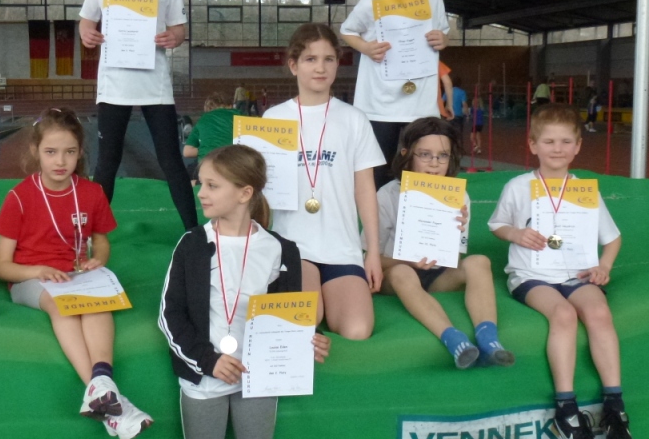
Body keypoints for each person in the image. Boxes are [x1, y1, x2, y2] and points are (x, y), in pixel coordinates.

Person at [158, 144, 331, 439]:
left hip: (259, 381)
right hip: (204, 382)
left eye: (212, 185)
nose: (200, 191)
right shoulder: (191, 244)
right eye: (201, 182)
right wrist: (208, 360)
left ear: (244, 193)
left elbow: (287, 319)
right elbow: (170, 318)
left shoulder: (281, 250)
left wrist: (308, 342)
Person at [0, 108, 152, 439]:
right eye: (51, 152)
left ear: (81, 152)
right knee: (62, 305)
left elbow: (101, 241)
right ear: (35, 151)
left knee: (99, 303)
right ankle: (102, 390)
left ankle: (103, 386)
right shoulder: (19, 197)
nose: (60, 161)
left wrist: (98, 259)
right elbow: (1, 266)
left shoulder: (91, 193)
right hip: (30, 279)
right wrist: (38, 270)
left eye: (69, 152)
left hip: (76, 276)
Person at [488, 105, 633, 439]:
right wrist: (516, 234)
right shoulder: (518, 187)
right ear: (532, 145)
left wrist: (604, 266)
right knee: (564, 315)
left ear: (578, 146)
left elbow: (613, 238)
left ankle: (615, 407)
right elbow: (497, 225)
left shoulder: (584, 191)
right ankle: (566, 411)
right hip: (531, 275)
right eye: (549, 141)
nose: (557, 148)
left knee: (599, 313)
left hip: (577, 274)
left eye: (566, 141)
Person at [78, 0, 198, 231]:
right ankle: (90, 235)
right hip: (114, 84)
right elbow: (87, 19)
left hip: (154, 85)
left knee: (171, 160)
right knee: (107, 161)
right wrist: (87, 33)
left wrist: (174, 37)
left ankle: (193, 231)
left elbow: (179, 28)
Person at [263, 24, 384, 340]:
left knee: (357, 330)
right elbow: (257, 190)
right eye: (310, 59)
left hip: (342, 248)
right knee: (305, 319)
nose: (320, 67)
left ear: (337, 64)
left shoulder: (354, 119)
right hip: (293, 246)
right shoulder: (272, 119)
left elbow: (365, 188)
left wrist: (372, 251)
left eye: (329, 59)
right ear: (293, 65)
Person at [373, 118, 513, 369]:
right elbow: (371, 259)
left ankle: (488, 337)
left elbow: (454, 260)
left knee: (479, 262)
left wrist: (451, 231)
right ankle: (453, 338)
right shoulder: (388, 195)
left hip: (437, 275)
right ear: (407, 154)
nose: (434, 163)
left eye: (443, 156)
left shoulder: (457, 196)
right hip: (396, 275)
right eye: (425, 154)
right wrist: (408, 260)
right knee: (403, 272)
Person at [340, 0, 449, 190]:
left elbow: (443, 33)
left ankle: (423, 214)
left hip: (421, 105)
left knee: (424, 168)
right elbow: (347, 31)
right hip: (380, 105)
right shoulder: (369, 3)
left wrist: (442, 40)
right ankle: (377, 217)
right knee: (378, 171)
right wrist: (366, 48)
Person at [183, 93, 236, 182]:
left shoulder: (204, 119)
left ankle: (197, 183)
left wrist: (208, 147)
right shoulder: (241, 116)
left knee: (189, 171)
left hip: (206, 165)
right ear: (231, 106)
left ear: (208, 109)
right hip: (235, 166)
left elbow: (187, 152)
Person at [448, 76, 469, 143]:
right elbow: (464, 104)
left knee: (449, 133)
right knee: (459, 134)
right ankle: (459, 147)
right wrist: (467, 114)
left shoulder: (449, 91)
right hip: (458, 115)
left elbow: (442, 101)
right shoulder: (462, 92)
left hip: (449, 115)